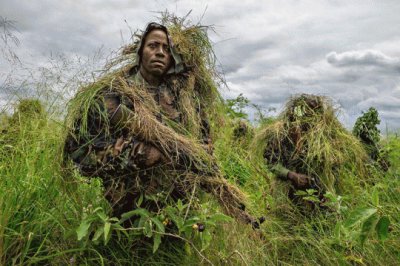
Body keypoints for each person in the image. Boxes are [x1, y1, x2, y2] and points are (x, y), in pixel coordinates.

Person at [65, 22, 256, 225]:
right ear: (140, 52)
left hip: (179, 213)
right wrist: (134, 154)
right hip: (126, 215)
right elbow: (78, 152)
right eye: (153, 46)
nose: (160, 53)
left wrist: (202, 153)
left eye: (166, 49)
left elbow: (204, 144)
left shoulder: (184, 99)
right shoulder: (111, 94)